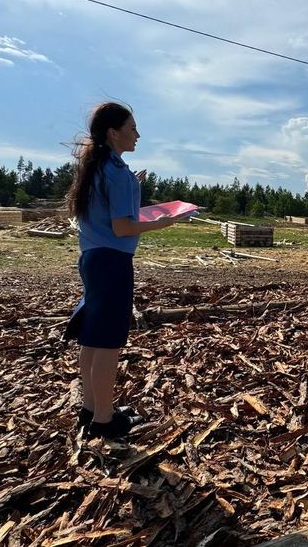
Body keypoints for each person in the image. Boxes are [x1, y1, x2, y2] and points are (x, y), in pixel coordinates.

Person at [64, 101, 179, 439]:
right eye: (132, 128)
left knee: (92, 338)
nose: (137, 135)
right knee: (108, 343)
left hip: (93, 259)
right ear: (114, 133)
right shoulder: (115, 172)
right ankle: (104, 420)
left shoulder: (101, 167)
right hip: (112, 262)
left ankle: (91, 408)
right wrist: (164, 221)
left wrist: (132, 184)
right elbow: (122, 227)